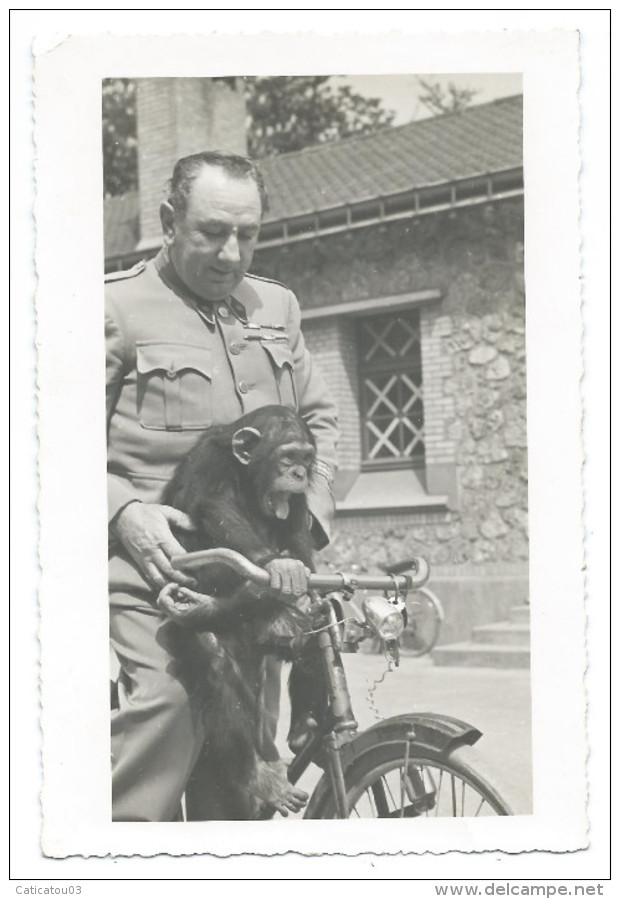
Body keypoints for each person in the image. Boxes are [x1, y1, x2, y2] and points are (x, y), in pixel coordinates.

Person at [106, 151, 338, 821]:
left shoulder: (276, 306)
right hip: (154, 567)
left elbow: (319, 418)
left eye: (249, 233)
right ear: (169, 221)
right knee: (174, 706)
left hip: (251, 570)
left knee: (242, 782)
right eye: (211, 231)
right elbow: (44, 442)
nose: (231, 253)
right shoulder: (116, 308)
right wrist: (123, 510)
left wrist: (306, 521)